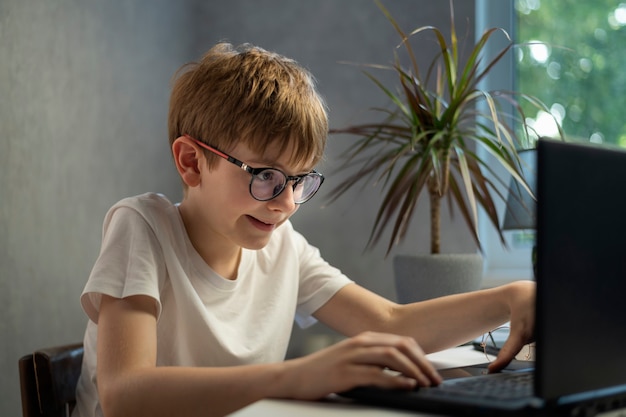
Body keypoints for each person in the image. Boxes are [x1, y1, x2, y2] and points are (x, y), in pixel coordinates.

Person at [72, 42, 535, 417]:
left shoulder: (282, 249)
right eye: (265, 176)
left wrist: (510, 297)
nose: (288, 203)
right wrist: (300, 374)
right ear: (193, 162)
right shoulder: (143, 226)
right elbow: (124, 395)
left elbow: (391, 323)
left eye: (299, 180)